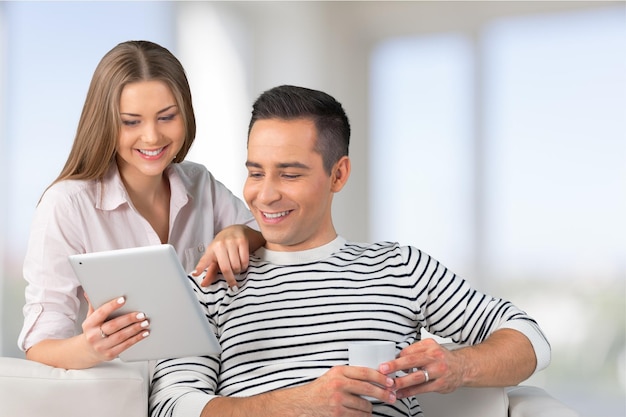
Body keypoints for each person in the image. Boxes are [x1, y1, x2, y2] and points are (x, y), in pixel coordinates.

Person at [150, 85, 550, 417]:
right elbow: (173, 405)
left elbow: (528, 338)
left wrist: (459, 367)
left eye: (289, 173)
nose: (264, 194)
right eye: (256, 172)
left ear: (338, 174)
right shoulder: (210, 283)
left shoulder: (400, 267)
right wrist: (299, 403)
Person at [18, 40, 264, 370]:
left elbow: (268, 234)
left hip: (205, 387)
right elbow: (39, 344)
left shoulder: (200, 184)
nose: (152, 137)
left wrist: (238, 233)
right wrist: (90, 348)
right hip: (120, 394)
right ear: (105, 122)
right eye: (131, 121)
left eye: (166, 117)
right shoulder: (67, 205)